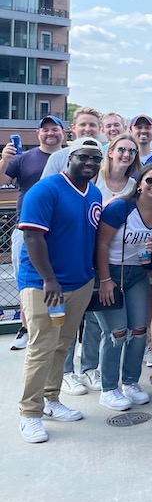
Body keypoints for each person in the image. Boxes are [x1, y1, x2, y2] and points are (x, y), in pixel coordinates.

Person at [15, 138, 103, 443]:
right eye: (84, 157)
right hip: (44, 285)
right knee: (41, 348)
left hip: (80, 282)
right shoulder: (46, 189)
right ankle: (30, 413)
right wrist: (49, 279)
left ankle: (51, 400)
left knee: (62, 345)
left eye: (96, 158)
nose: (90, 163)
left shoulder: (94, 192)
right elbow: (32, 238)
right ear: (69, 157)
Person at [92, 163, 152, 411]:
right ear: (139, 183)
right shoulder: (120, 207)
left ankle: (130, 382)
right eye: (150, 180)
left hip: (137, 273)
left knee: (138, 330)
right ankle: (109, 388)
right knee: (116, 332)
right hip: (112, 272)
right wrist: (104, 280)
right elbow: (101, 244)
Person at [0, 114, 66, 351]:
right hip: (26, 227)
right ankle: (27, 327)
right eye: (45, 129)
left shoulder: (71, 157)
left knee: (60, 278)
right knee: (26, 280)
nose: (50, 133)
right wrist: (5, 159)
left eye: (55, 129)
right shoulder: (23, 158)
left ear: (63, 133)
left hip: (61, 229)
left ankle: (59, 327)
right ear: (38, 134)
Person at [95, 134, 140, 203]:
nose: (126, 155)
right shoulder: (95, 177)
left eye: (132, 151)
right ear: (110, 153)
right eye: (121, 150)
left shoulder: (133, 186)